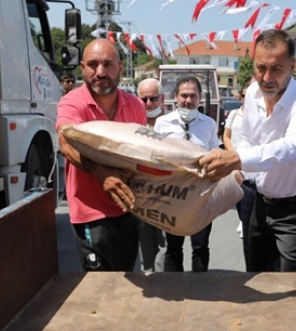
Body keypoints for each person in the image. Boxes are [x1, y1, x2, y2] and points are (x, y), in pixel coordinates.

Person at [198, 29, 296, 272]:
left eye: (276, 69)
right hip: (262, 203)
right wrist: (240, 173)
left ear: (292, 66)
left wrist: (238, 159)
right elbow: (246, 137)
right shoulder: (253, 94)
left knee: (293, 287)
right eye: (260, 68)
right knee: (257, 276)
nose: (267, 77)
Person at [57, 38, 146, 272]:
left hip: (128, 209)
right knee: (96, 286)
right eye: (93, 64)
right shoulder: (72, 103)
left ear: (120, 67)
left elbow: (142, 153)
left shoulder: (135, 106)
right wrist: (101, 173)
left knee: (127, 281)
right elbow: (66, 144)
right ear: (82, 67)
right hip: (90, 214)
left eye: (108, 64)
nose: (100, 72)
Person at [154, 75, 220, 272]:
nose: (188, 100)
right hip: (172, 195)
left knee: (200, 246)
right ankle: (175, 286)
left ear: (200, 97)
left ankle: (200, 287)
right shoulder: (162, 124)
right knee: (173, 246)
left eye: (193, 95)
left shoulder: (208, 124)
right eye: (184, 95)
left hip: (201, 196)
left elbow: (215, 153)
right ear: (176, 96)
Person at [222, 81, 256, 271]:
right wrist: (233, 158)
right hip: (240, 176)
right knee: (247, 228)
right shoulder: (235, 115)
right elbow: (226, 136)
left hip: (262, 180)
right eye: (245, 95)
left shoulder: (266, 114)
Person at [135, 78, 168, 272]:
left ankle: (163, 280)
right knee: (145, 243)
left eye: (153, 99)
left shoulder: (173, 124)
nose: (148, 104)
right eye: (143, 99)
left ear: (162, 98)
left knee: (165, 244)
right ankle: (148, 276)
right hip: (141, 194)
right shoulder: (132, 123)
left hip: (168, 194)